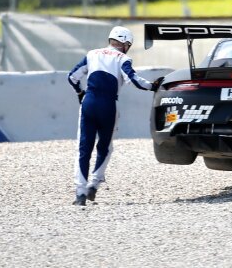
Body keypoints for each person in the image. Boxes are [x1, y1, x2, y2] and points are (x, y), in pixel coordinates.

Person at [67, 26, 163, 206]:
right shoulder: (122, 58)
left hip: (88, 102)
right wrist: (153, 86)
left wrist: (81, 93)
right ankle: (93, 185)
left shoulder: (92, 54)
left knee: (83, 148)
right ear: (126, 43)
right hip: (108, 105)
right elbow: (135, 80)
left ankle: (80, 194)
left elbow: (72, 77)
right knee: (105, 147)